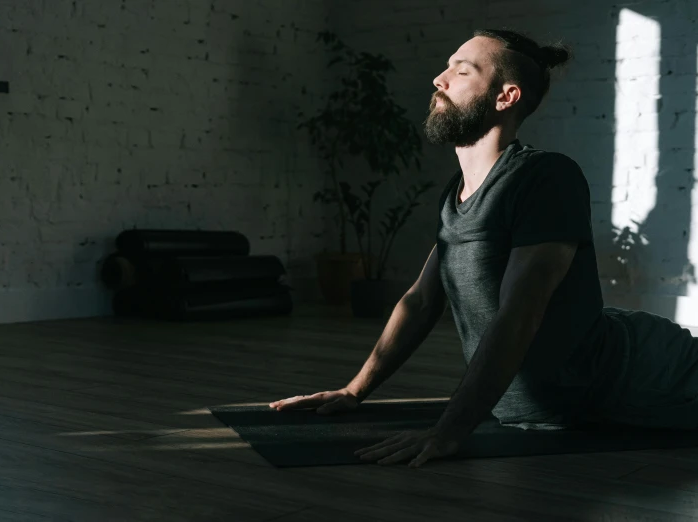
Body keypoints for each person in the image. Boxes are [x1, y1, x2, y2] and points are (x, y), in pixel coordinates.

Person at [270, 29, 698, 468]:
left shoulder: (546, 177)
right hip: (546, 404)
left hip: (646, 371)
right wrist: (353, 391)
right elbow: (420, 301)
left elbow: (520, 311)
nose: (440, 79)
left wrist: (447, 432)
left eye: (461, 70)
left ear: (505, 96)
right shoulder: (457, 195)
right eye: (446, 66)